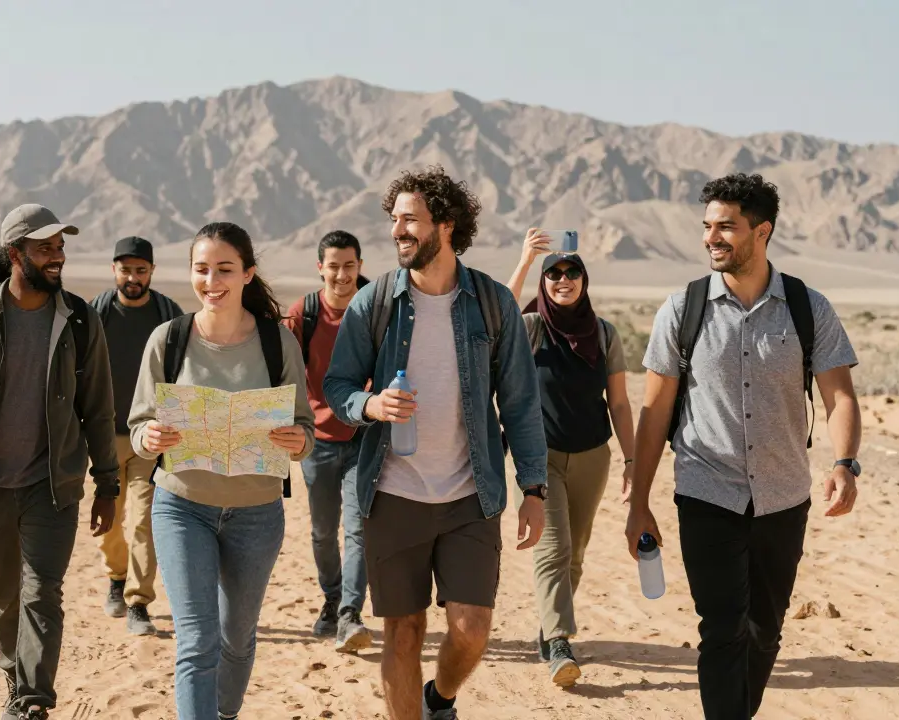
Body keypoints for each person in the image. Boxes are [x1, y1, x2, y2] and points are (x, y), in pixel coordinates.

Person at [626, 173, 861, 720]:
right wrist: (639, 500)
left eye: (726, 227)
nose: (712, 237)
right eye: (707, 226)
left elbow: (840, 397)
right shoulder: (681, 310)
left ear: (762, 231)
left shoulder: (808, 307)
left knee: (765, 630)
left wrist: (844, 463)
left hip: (783, 496)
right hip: (707, 491)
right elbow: (655, 412)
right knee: (723, 627)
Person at [324, 166, 548, 720]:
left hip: (469, 495)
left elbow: (520, 404)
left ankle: (440, 698)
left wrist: (534, 487)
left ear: (445, 225)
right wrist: (370, 406)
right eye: (393, 220)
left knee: (472, 631)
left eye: (409, 220)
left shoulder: (493, 304)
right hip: (392, 492)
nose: (398, 230)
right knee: (403, 633)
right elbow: (338, 384)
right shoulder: (373, 304)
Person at [0, 204, 120, 720]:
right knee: (4, 596)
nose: (57, 257)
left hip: (51, 484)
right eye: (45, 248)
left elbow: (98, 408)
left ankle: (33, 700)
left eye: (60, 247)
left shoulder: (79, 318)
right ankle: (14, 676)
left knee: (43, 592)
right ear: (17, 255)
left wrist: (108, 483)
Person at [129, 221, 315, 720]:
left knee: (236, 639)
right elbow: (139, 423)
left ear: (248, 274)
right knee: (197, 640)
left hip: (257, 515)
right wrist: (146, 438)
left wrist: (299, 440)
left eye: (225, 269)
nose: (212, 281)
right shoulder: (167, 339)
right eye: (202, 269)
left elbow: (303, 426)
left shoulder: (278, 344)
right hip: (182, 506)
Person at [505, 233, 636, 688]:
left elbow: (619, 404)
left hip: (593, 456)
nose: (563, 280)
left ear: (584, 279)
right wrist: (525, 260)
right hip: (539, 460)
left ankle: (549, 624)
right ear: (545, 282)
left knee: (575, 554)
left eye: (572, 272)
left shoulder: (604, 334)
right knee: (553, 548)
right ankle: (560, 641)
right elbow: (499, 312)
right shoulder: (531, 327)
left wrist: (632, 461)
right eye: (554, 274)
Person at [281, 230, 374, 652]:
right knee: (322, 532)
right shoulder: (305, 313)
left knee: (358, 529)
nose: (341, 274)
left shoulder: (377, 306)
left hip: (365, 437)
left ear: (359, 265)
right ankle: (332, 598)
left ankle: (351, 614)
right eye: (333, 266)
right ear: (320, 267)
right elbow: (285, 374)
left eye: (349, 266)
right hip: (316, 440)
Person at [88, 236, 183, 635]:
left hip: (152, 436)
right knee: (109, 520)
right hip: (105, 437)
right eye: (125, 270)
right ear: (114, 270)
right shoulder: (96, 313)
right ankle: (115, 577)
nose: (133, 278)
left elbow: (182, 371)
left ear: (152, 272)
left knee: (144, 520)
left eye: (140, 270)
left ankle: (138, 602)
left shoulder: (168, 314)